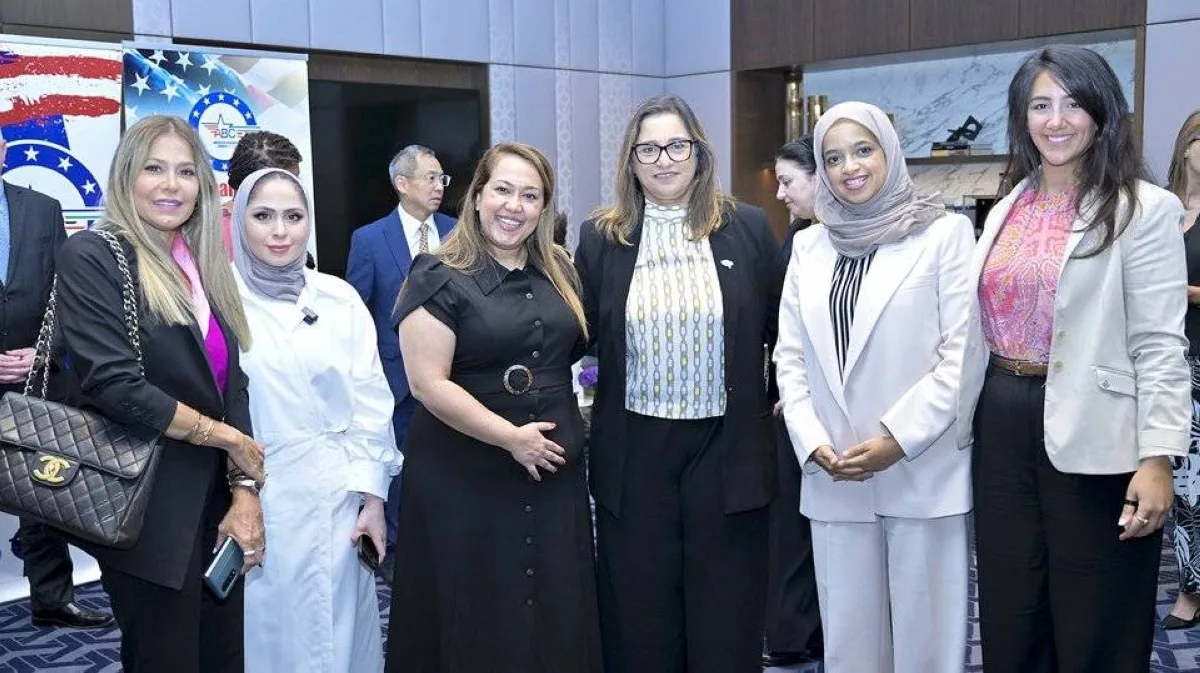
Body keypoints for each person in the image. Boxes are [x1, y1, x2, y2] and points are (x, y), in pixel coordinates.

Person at [967, 45, 1190, 673]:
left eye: (1073, 103)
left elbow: (1160, 346)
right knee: (1012, 607)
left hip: (1099, 429)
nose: (1056, 120)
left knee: (1097, 612)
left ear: (1102, 112)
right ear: (1021, 116)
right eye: (1040, 105)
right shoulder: (1007, 205)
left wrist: (1157, 459)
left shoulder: (1144, 209)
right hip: (1002, 419)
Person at [574, 94, 782, 673]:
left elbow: (780, 328)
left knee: (726, 608)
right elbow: (580, 333)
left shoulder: (747, 226)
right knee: (640, 612)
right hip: (635, 449)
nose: (663, 160)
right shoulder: (601, 237)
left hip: (727, 447)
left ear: (699, 152)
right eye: (648, 149)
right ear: (631, 161)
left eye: (676, 145)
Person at [55, 115, 267, 672]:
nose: (171, 185)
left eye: (185, 171)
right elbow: (114, 384)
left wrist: (244, 490)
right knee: (165, 659)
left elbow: (232, 384)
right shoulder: (94, 257)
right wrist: (229, 440)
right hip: (145, 506)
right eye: (154, 169)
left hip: (216, 503)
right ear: (127, 177)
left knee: (222, 658)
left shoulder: (202, 264)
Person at [774, 102, 976, 673]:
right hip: (834, 468)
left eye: (863, 150)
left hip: (920, 465)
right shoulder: (810, 246)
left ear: (889, 150)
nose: (849, 168)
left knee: (927, 647)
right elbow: (790, 358)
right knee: (850, 647)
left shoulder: (944, 234)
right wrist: (814, 443)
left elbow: (960, 357)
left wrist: (895, 438)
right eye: (832, 158)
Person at [386, 142, 601, 672]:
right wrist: (511, 437)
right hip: (464, 474)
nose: (515, 206)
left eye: (530, 195)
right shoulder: (435, 274)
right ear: (477, 195)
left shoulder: (563, 276)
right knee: (477, 608)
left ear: (544, 207)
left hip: (551, 474)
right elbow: (427, 384)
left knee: (554, 608)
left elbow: (574, 351)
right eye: (503, 190)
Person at [232, 168, 400, 672]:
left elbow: (372, 402)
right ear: (239, 220)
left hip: (339, 496)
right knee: (268, 634)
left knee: (341, 634)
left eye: (293, 216)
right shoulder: (218, 302)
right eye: (263, 216)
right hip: (258, 495)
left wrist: (373, 498)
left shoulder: (339, 298)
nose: (280, 231)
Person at [0, 130, 114, 630]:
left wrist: (44, 352)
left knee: (42, 493)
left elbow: (70, 296)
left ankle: (52, 599)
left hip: (35, 380)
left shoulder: (43, 208)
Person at [346, 144, 457, 575]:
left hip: (451, 375)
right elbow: (358, 312)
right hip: (393, 378)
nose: (438, 186)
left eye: (442, 178)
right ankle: (393, 550)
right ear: (402, 183)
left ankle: (444, 544)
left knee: (446, 465)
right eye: (430, 177)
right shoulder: (370, 240)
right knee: (397, 470)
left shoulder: (459, 231)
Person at [762, 134, 823, 668]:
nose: (779, 193)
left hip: (816, 412)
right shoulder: (801, 236)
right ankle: (793, 633)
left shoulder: (831, 241)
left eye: (788, 181)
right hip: (791, 406)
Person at [1163, 108, 1200, 630]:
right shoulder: (1164, 210)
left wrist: (1181, 290)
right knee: (1183, 488)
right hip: (1171, 365)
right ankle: (1190, 587)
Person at [222, 130, 303, 258]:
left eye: (297, 180)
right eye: (287, 182)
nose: (296, 190)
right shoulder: (211, 235)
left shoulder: (294, 224)